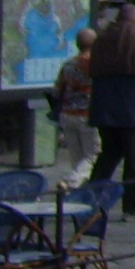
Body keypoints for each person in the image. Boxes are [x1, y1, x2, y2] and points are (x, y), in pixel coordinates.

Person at [85, 5, 135, 220]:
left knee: (108, 156)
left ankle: (90, 200)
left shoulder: (101, 42)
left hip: (105, 110)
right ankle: (131, 208)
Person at [49, 25, 97, 170]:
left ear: (77, 44)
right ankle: (69, 183)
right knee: (92, 157)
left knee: (76, 159)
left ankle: (79, 190)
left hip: (67, 114)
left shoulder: (67, 65)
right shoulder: (95, 65)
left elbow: (57, 91)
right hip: (87, 115)